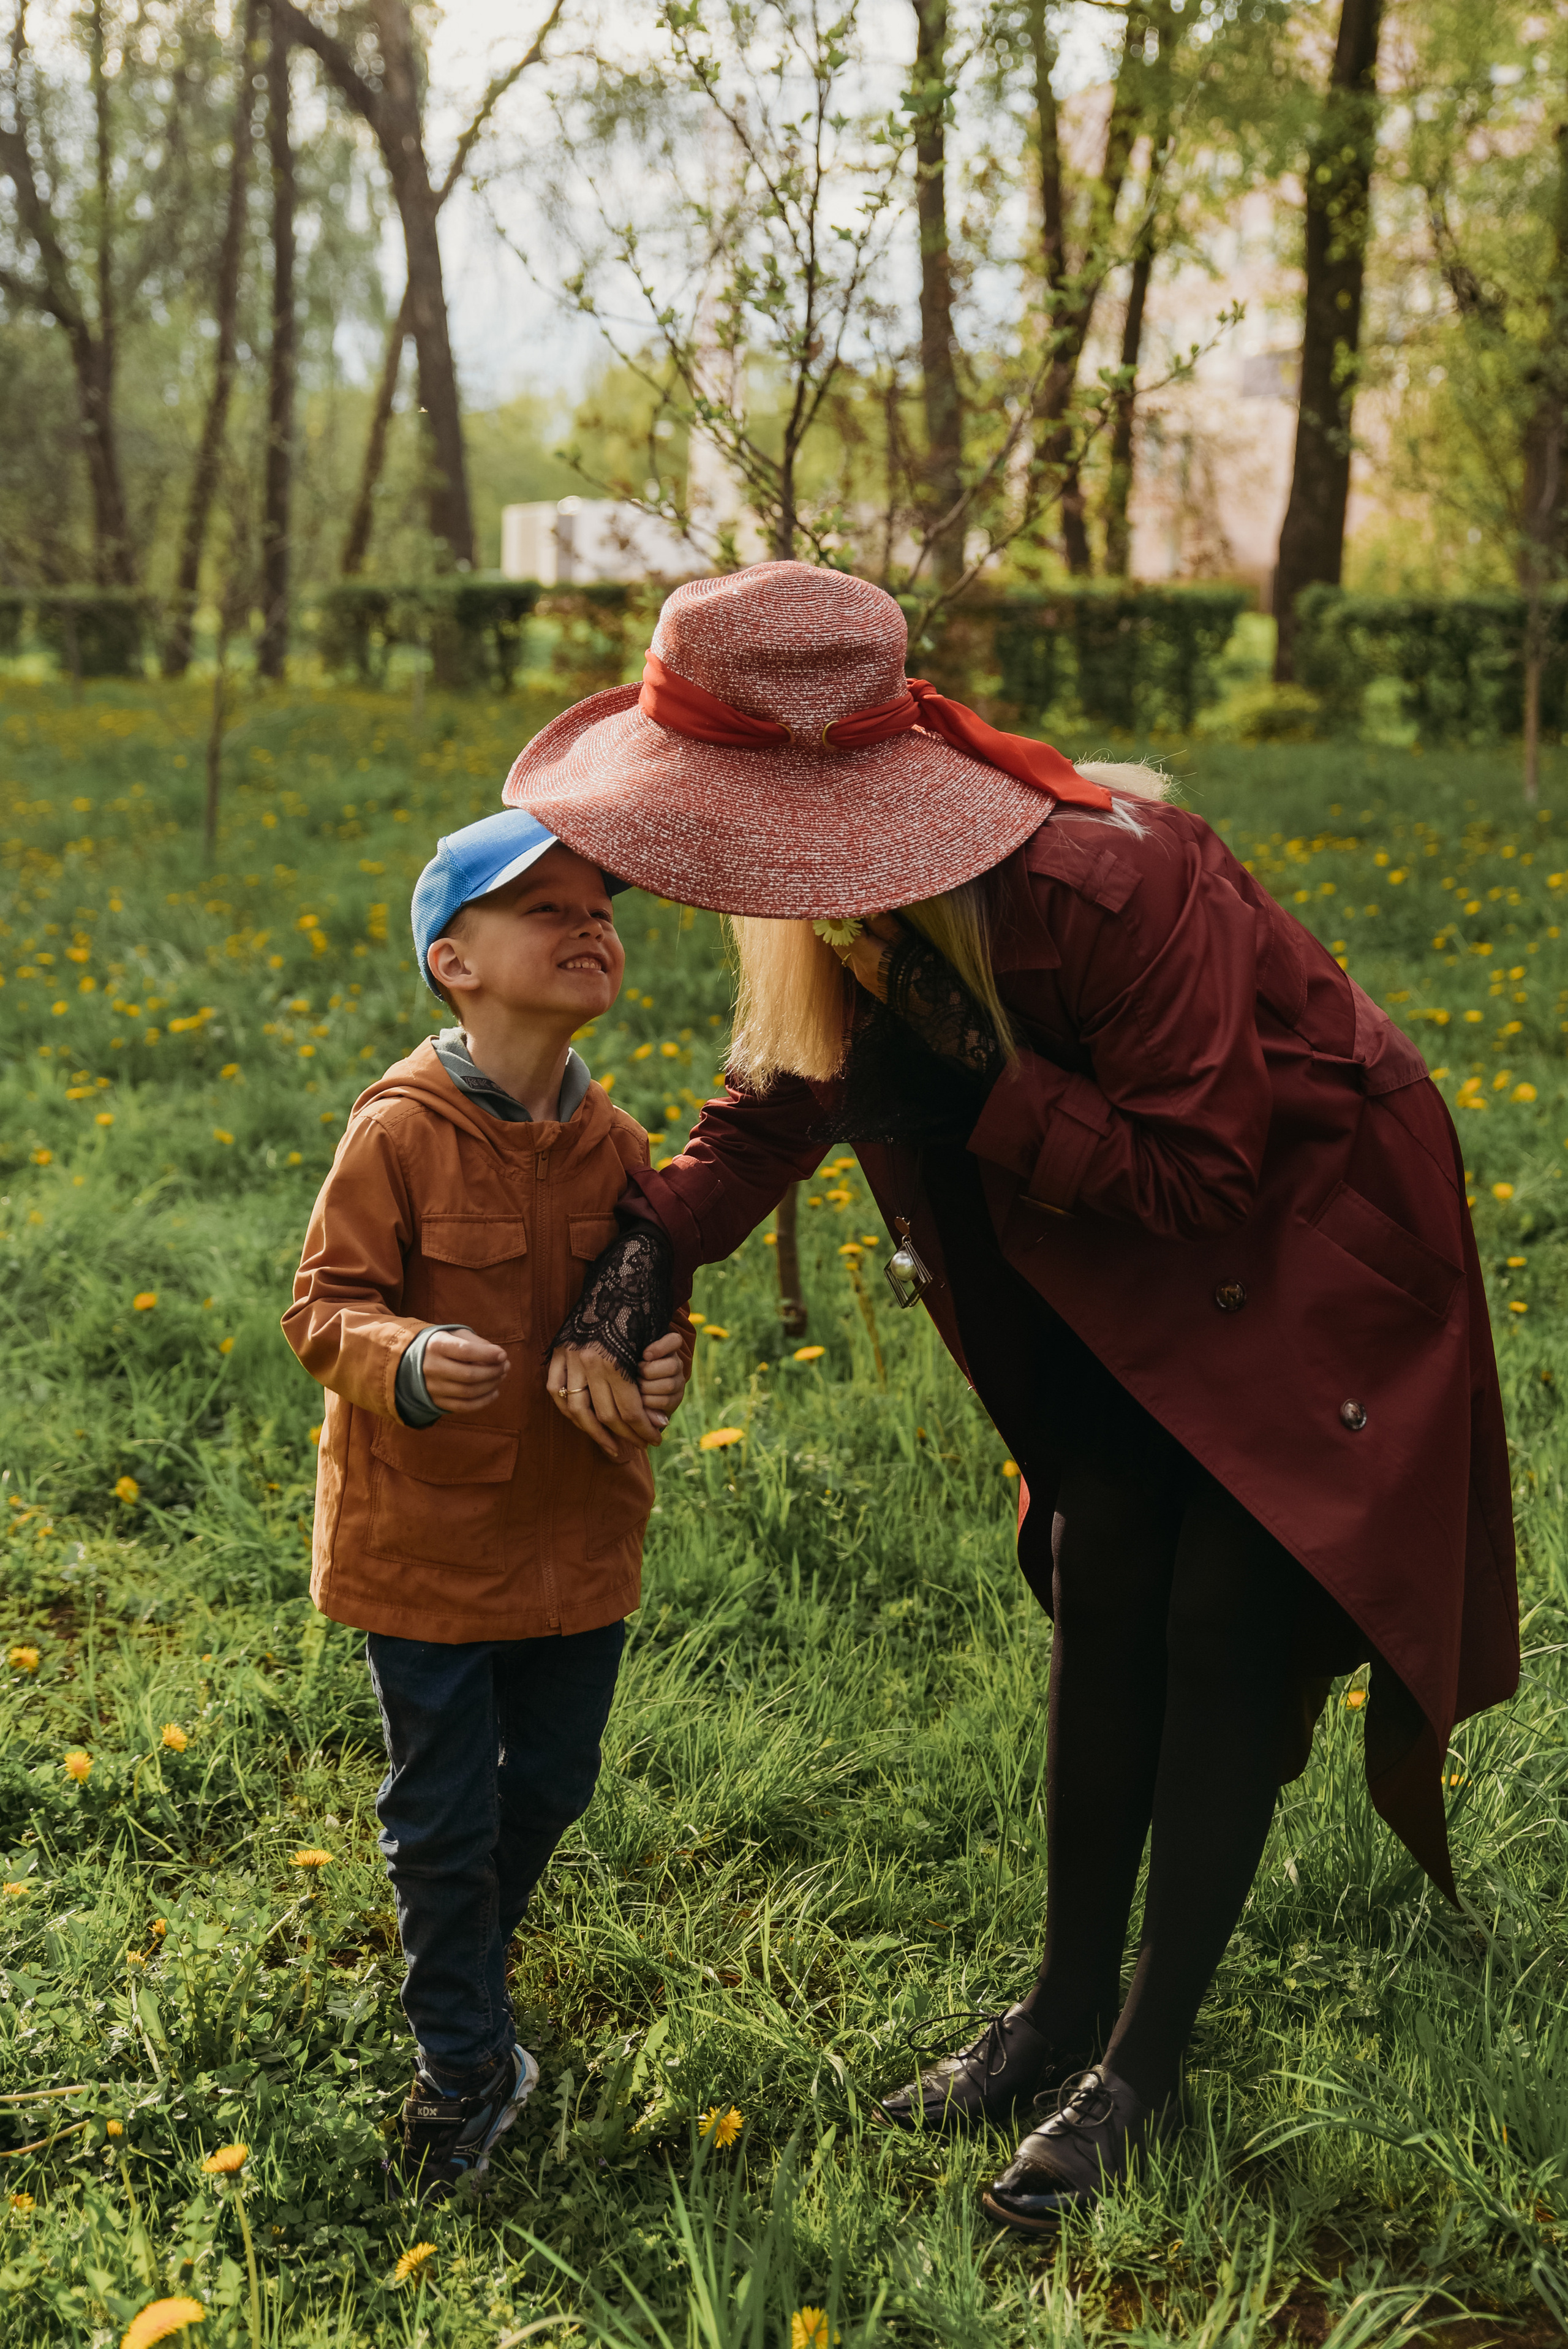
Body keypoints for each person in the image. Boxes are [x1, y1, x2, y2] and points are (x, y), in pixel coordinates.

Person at [510, 562, 1518, 2234]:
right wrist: (645, 1253)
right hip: (1104, 1227)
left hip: (1311, 1221)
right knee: (1110, 1551)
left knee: (1220, 1605)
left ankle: (1143, 2064)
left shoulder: (1112, 886)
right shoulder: (831, 893)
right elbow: (773, 1104)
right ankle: (1056, 2009)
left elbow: (1206, 1175)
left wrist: (982, 1088)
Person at [282, 808, 690, 2204]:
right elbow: (322, 1305)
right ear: (453, 962)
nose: (591, 928)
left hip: (579, 1536)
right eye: (546, 910)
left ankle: (457, 1959)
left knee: (556, 1782)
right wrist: (399, 1356)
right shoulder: (397, 1131)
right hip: (428, 1542)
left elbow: (641, 1317)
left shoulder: (618, 1142)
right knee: (442, 1811)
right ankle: (461, 2058)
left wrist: (657, 1366)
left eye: (603, 911)